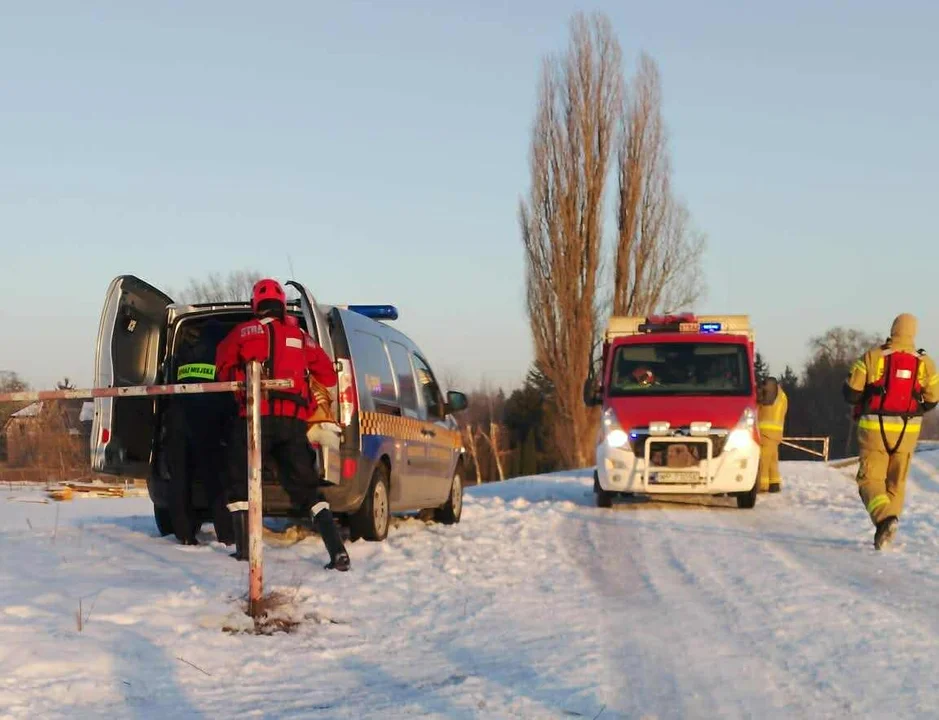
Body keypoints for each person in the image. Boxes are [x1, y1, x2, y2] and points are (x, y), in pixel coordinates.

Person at [215, 278, 350, 571]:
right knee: (307, 489)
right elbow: (328, 376)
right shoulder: (300, 336)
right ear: (281, 306)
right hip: (293, 423)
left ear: (256, 305)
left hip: (254, 420)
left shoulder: (242, 332)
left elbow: (221, 370)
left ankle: (244, 552)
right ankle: (337, 550)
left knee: (240, 480)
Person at [843, 313, 939, 549]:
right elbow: (932, 399)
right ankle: (887, 533)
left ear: (893, 329)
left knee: (869, 479)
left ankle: (884, 519)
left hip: (874, 430)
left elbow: (851, 393)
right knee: (896, 483)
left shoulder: (873, 356)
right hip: (907, 432)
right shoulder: (926, 363)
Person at [163, 319, 235, 546]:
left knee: (179, 478)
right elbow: (228, 398)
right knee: (214, 479)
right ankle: (226, 534)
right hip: (206, 421)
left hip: (178, 419)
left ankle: (184, 534)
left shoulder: (183, 355)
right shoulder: (219, 357)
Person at [757, 376, 788, 493]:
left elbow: (759, 408)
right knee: (772, 460)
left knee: (763, 461)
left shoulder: (767, 396)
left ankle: (762, 485)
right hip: (777, 432)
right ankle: (774, 483)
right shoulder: (782, 396)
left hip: (765, 432)